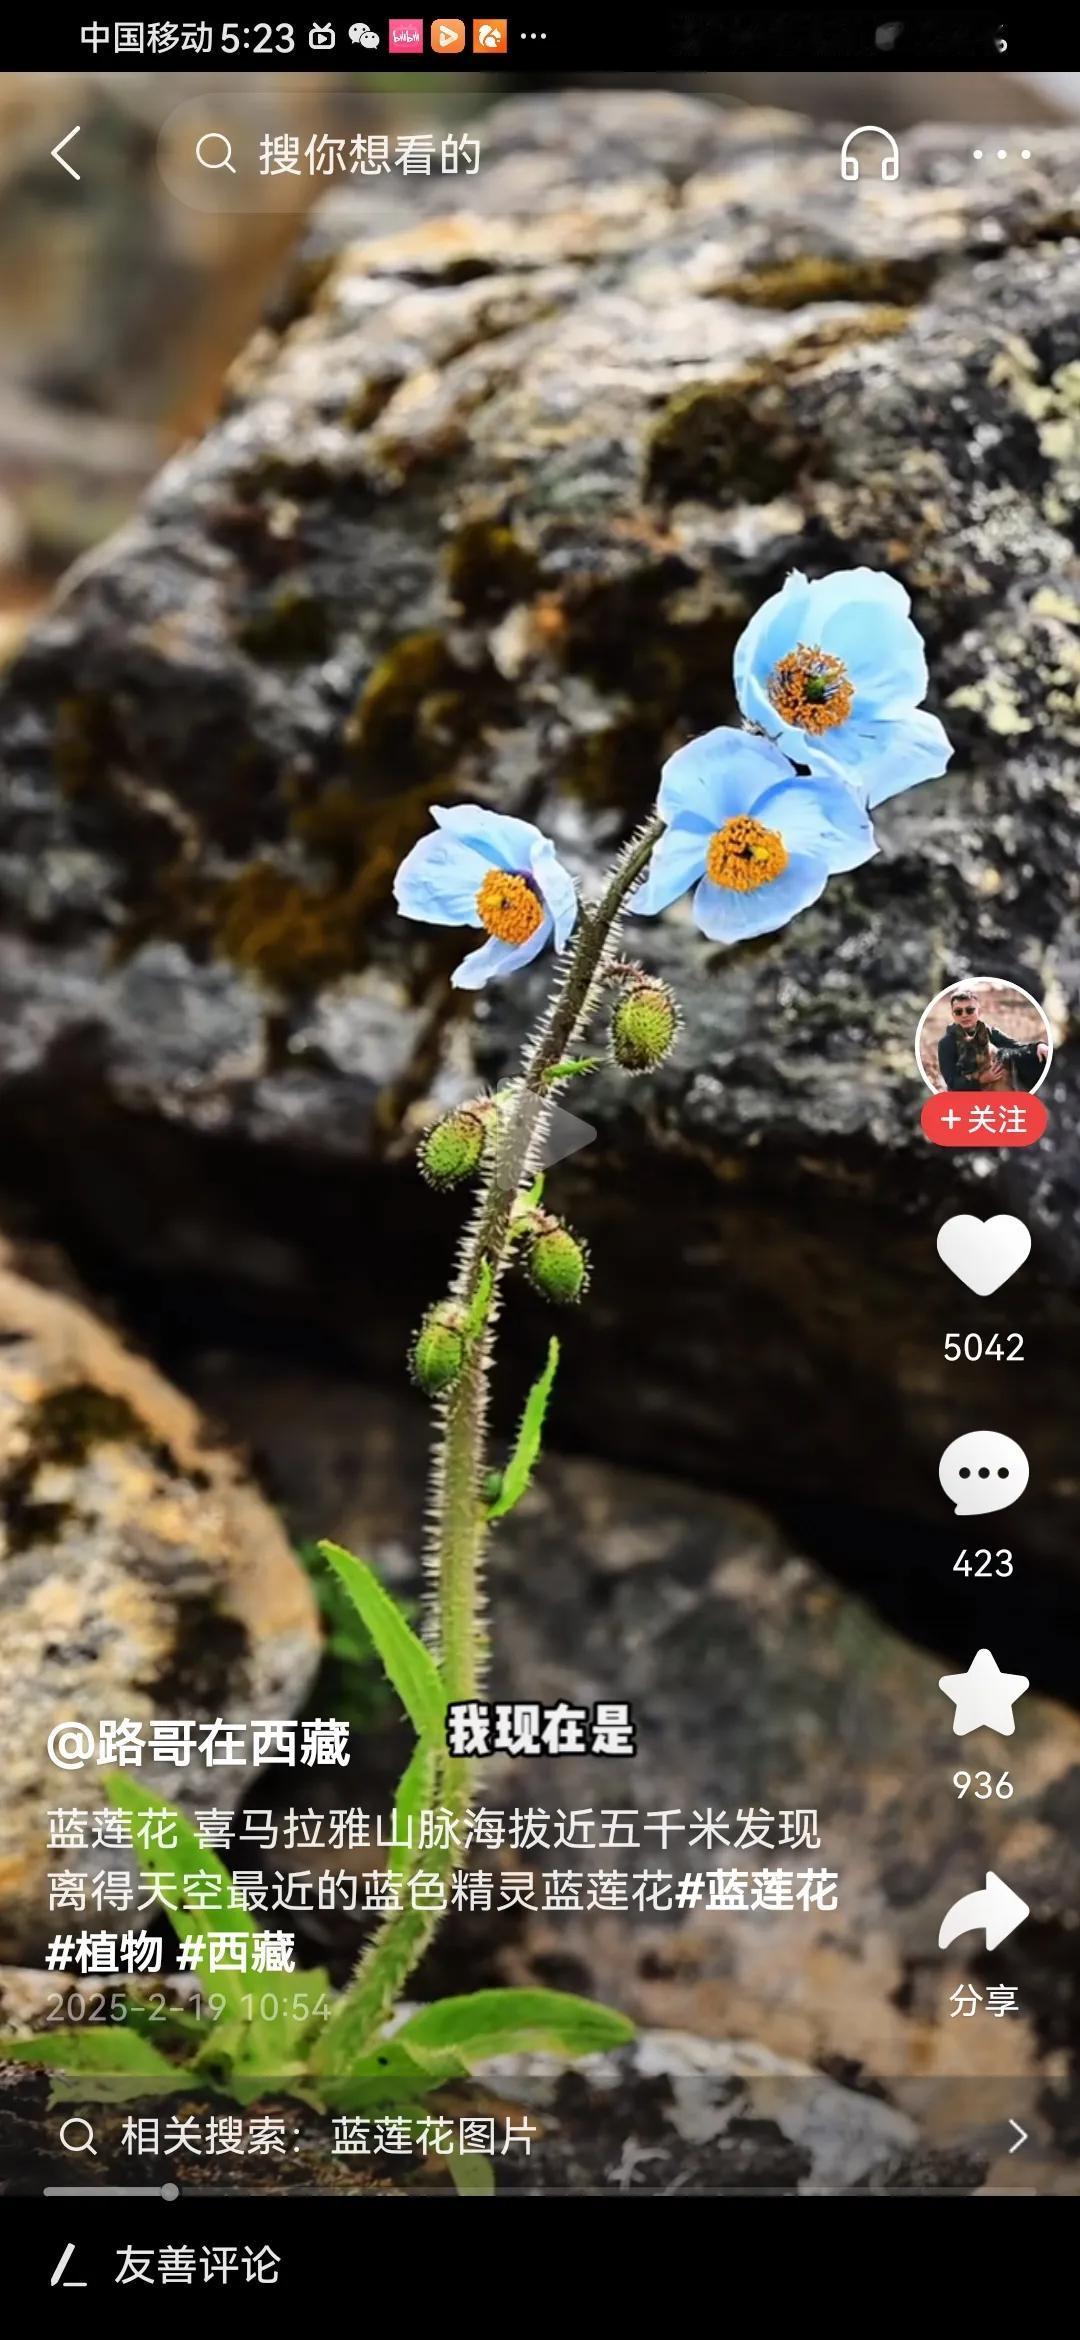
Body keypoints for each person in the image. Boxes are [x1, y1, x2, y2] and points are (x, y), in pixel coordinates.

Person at [935, 983, 1048, 1092]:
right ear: (953, 1015)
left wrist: (1038, 1047)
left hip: (997, 1089)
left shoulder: (988, 1031)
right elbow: (953, 1083)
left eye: (970, 1010)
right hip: (968, 1098)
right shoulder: (946, 1043)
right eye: (958, 1012)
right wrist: (982, 1080)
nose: (964, 1015)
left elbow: (1015, 1047)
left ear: (979, 1012)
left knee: (1034, 1057)